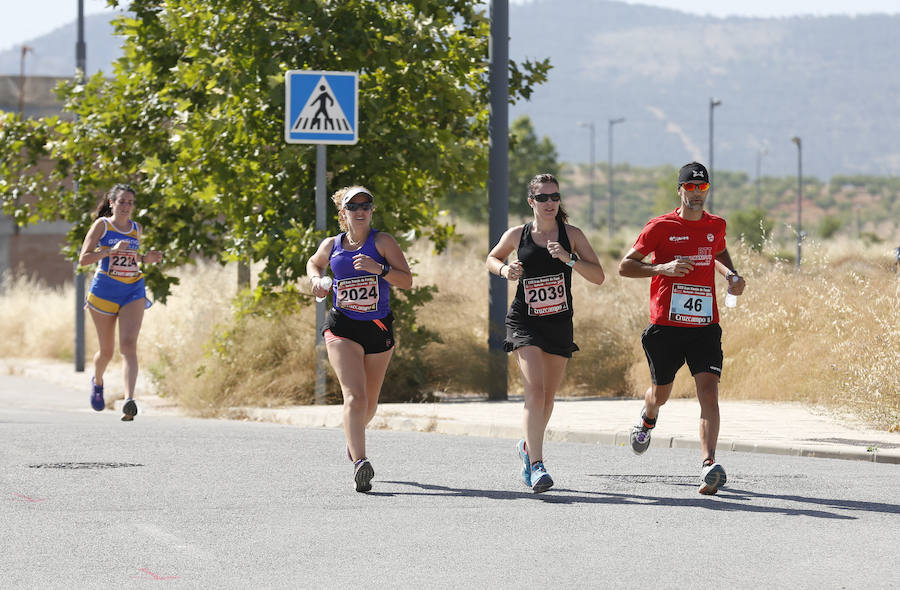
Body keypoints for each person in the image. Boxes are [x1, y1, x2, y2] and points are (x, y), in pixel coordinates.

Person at [618, 162, 746, 495]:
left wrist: (731, 276)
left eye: (702, 188)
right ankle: (647, 418)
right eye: (690, 188)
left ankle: (709, 465)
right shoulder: (660, 227)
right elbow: (625, 266)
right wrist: (664, 267)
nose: (697, 194)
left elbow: (717, 249)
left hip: (704, 325)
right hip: (666, 326)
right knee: (661, 394)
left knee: (709, 391)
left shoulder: (716, 225)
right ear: (680, 190)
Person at [486, 173, 606, 493]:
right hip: (525, 321)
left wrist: (570, 259)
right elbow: (492, 258)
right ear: (532, 202)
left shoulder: (572, 235)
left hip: (559, 322)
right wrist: (505, 270)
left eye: (555, 197)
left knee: (548, 398)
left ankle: (527, 447)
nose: (550, 203)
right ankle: (537, 465)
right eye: (543, 198)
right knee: (535, 393)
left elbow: (598, 276)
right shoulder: (518, 235)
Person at [306, 186, 412, 493]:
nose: (361, 210)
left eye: (367, 205)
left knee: (369, 403)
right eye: (354, 206)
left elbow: (406, 280)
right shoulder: (333, 244)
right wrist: (317, 280)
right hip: (342, 326)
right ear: (344, 214)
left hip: (377, 327)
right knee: (354, 397)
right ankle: (361, 463)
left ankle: (353, 438)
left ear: (372, 210)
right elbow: (314, 263)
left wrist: (378, 268)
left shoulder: (383, 242)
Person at [78, 184, 163, 421]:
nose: (126, 206)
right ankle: (97, 381)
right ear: (112, 203)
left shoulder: (136, 228)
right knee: (106, 351)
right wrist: (109, 251)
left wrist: (147, 258)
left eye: (130, 202)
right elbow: (83, 259)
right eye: (122, 202)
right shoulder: (102, 226)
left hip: (133, 290)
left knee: (128, 345)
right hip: (104, 292)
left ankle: (129, 400)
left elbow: (132, 256)